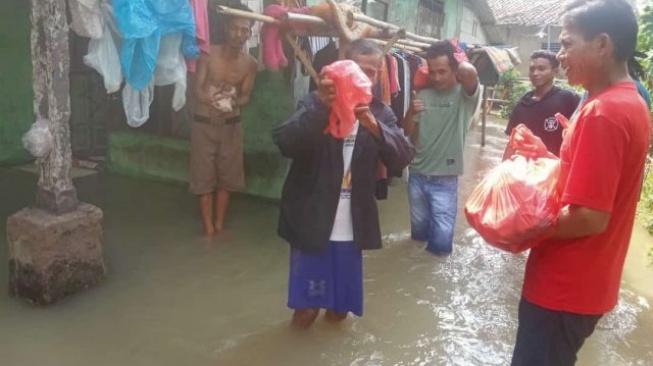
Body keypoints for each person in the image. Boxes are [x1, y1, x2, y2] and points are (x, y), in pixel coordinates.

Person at [509, 1, 651, 365]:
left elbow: (590, 217)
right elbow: (597, 185)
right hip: (587, 282)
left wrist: (520, 227)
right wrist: (550, 158)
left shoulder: (603, 112)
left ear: (602, 44)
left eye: (568, 44)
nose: (561, 55)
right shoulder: (628, 100)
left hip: (563, 287)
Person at [273, 40, 413, 329]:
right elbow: (285, 142)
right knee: (306, 310)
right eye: (359, 70)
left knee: (340, 311)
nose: (365, 78)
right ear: (343, 69)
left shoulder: (381, 112)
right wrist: (323, 109)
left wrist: (374, 125)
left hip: (352, 227)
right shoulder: (316, 101)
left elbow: (402, 158)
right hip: (312, 221)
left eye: (372, 73)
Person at [402, 40, 480, 256]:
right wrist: (410, 112)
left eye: (443, 71)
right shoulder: (423, 95)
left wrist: (457, 57)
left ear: (454, 69)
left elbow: (470, 71)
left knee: (442, 245)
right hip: (417, 174)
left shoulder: (465, 96)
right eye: (433, 72)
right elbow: (407, 131)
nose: (437, 77)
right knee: (417, 236)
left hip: (445, 179)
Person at [191, 3, 258, 236]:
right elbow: (198, 91)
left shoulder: (250, 64)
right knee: (203, 176)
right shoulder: (208, 55)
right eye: (235, 29)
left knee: (227, 178)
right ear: (227, 29)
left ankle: (219, 225)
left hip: (231, 126)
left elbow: (246, 96)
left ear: (250, 34)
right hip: (204, 124)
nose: (239, 35)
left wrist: (231, 101)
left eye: (245, 31)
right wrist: (213, 100)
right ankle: (208, 228)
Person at [503, 51, 580, 159]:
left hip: (555, 167)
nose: (535, 73)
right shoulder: (523, 104)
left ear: (555, 72)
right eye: (532, 69)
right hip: (525, 169)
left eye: (541, 69)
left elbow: (580, 137)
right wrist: (502, 169)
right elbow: (512, 142)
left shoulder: (567, 99)